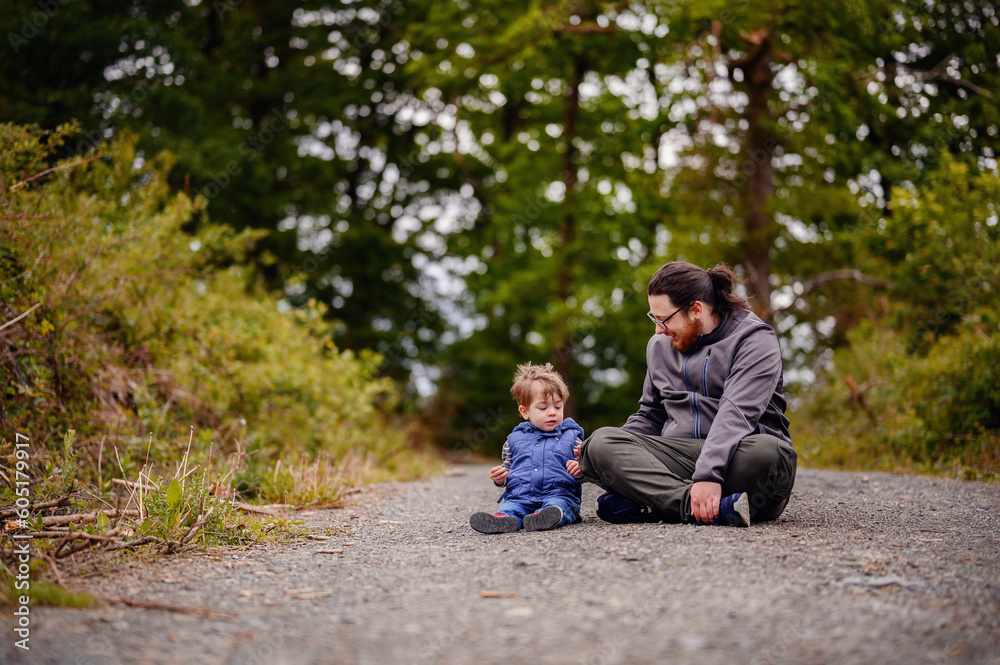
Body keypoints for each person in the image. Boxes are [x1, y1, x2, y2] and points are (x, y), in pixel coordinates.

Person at [577, 261, 797, 527]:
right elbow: (650, 415)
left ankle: (655, 503)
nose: (658, 330)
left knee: (770, 453)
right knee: (601, 442)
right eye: (653, 318)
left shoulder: (755, 339)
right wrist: (593, 457)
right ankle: (701, 506)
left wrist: (708, 475)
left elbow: (735, 415)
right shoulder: (659, 345)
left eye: (663, 319)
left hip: (741, 458)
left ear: (696, 309)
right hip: (681, 457)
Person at [470, 362, 585, 534]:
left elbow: (587, 470)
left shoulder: (572, 438)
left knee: (560, 506)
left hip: (560, 494)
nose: (552, 412)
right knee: (510, 507)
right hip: (521, 497)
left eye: (558, 406)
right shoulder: (514, 440)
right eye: (543, 407)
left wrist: (581, 469)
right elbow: (508, 468)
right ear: (525, 412)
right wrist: (499, 478)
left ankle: (547, 517)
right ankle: (503, 520)